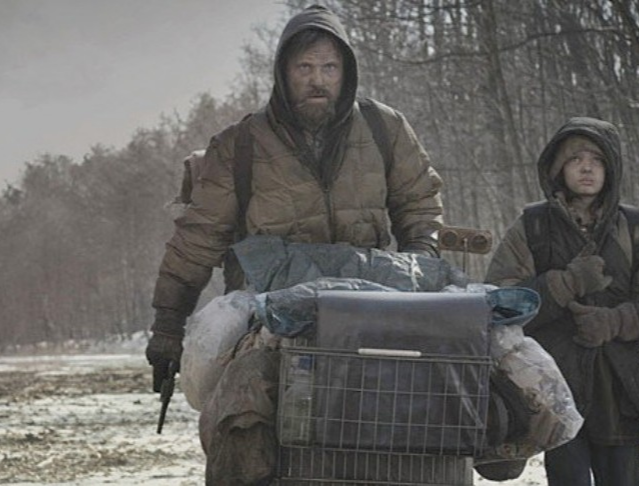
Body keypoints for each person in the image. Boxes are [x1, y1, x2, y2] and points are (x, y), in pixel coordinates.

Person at [145, 4, 444, 393]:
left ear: (346, 72)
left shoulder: (384, 128)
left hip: (370, 302)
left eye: (329, 68)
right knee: (244, 410)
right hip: (266, 315)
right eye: (304, 68)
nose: (317, 80)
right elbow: (197, 242)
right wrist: (168, 327)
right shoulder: (241, 145)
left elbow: (419, 205)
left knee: (436, 401)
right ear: (283, 73)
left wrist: (418, 266)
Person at [485, 117, 639, 485]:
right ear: (559, 168)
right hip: (556, 390)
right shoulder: (533, 225)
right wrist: (565, 284)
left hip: (621, 388)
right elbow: (499, 304)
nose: (588, 167)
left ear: (611, 168)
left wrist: (616, 321)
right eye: (576, 159)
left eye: (597, 158)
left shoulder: (635, 227)